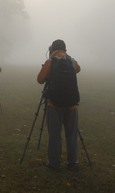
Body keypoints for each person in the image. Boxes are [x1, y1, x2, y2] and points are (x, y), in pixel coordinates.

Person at [37, 39, 81, 171]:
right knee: (71, 135)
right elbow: (78, 70)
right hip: (72, 104)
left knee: (55, 135)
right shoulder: (72, 62)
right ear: (65, 50)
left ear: (51, 50)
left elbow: (40, 80)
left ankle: (54, 163)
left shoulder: (50, 62)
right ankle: (72, 162)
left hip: (54, 104)